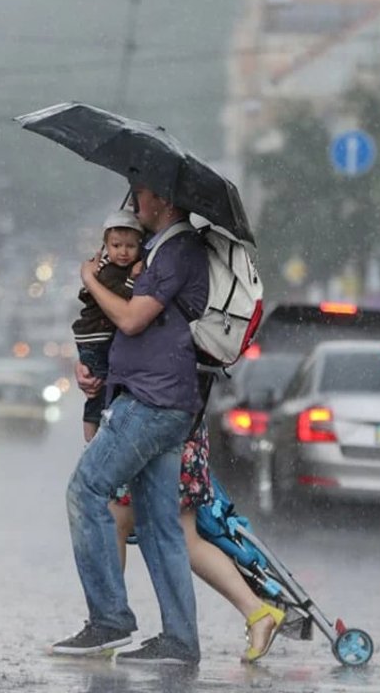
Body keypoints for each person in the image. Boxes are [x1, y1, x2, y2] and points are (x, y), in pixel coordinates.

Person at [51, 183, 208, 666]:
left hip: (153, 400)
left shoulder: (177, 249)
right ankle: (180, 641)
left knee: (85, 490)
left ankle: (110, 618)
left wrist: (88, 278)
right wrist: (94, 370)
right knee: (161, 525)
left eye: (141, 194)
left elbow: (134, 319)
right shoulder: (158, 250)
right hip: (150, 394)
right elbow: (121, 329)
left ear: (163, 199)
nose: (135, 203)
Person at [108, 418, 287, 663]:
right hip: (175, 426)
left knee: (113, 522)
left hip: (155, 426)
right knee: (183, 539)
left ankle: (107, 625)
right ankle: (257, 613)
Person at [71, 210, 144, 443]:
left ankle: (95, 443)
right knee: (99, 391)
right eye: (116, 245)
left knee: (102, 391)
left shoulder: (106, 268)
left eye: (130, 246)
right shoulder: (108, 271)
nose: (123, 252)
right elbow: (121, 303)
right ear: (105, 245)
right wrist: (133, 278)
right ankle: (92, 444)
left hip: (99, 338)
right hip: (96, 338)